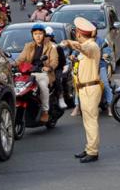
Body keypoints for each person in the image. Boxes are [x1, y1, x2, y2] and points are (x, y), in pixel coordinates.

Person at [60, 17, 102, 163]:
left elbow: (84, 49)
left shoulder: (92, 46)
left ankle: (93, 151)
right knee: (87, 121)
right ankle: (89, 147)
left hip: (90, 87)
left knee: (91, 121)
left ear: (78, 34)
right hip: (85, 88)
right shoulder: (89, 46)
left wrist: (70, 43)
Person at [17, 24, 59, 123]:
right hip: (28, 73)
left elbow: (54, 61)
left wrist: (49, 67)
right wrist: (12, 64)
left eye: (40, 34)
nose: (38, 36)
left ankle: (45, 111)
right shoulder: (28, 46)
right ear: (32, 35)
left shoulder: (51, 46)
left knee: (43, 87)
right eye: (35, 34)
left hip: (43, 74)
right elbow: (20, 59)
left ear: (44, 34)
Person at [45, 26, 68, 109]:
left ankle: (61, 97)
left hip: (56, 69)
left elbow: (63, 61)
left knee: (58, 80)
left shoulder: (57, 47)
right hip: (44, 69)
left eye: (48, 36)